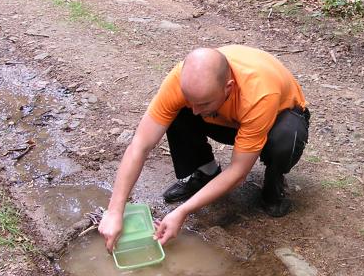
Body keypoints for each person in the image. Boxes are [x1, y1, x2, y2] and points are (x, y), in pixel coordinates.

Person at [98, 45, 309, 251]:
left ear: (228, 87)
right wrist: (115, 210)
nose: (195, 111)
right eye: (191, 101)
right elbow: (140, 145)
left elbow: (238, 171)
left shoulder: (259, 93)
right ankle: (206, 171)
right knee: (178, 111)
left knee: (285, 140)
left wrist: (182, 211)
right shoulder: (181, 81)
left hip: (276, 119)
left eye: (204, 103)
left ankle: (274, 179)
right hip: (227, 118)